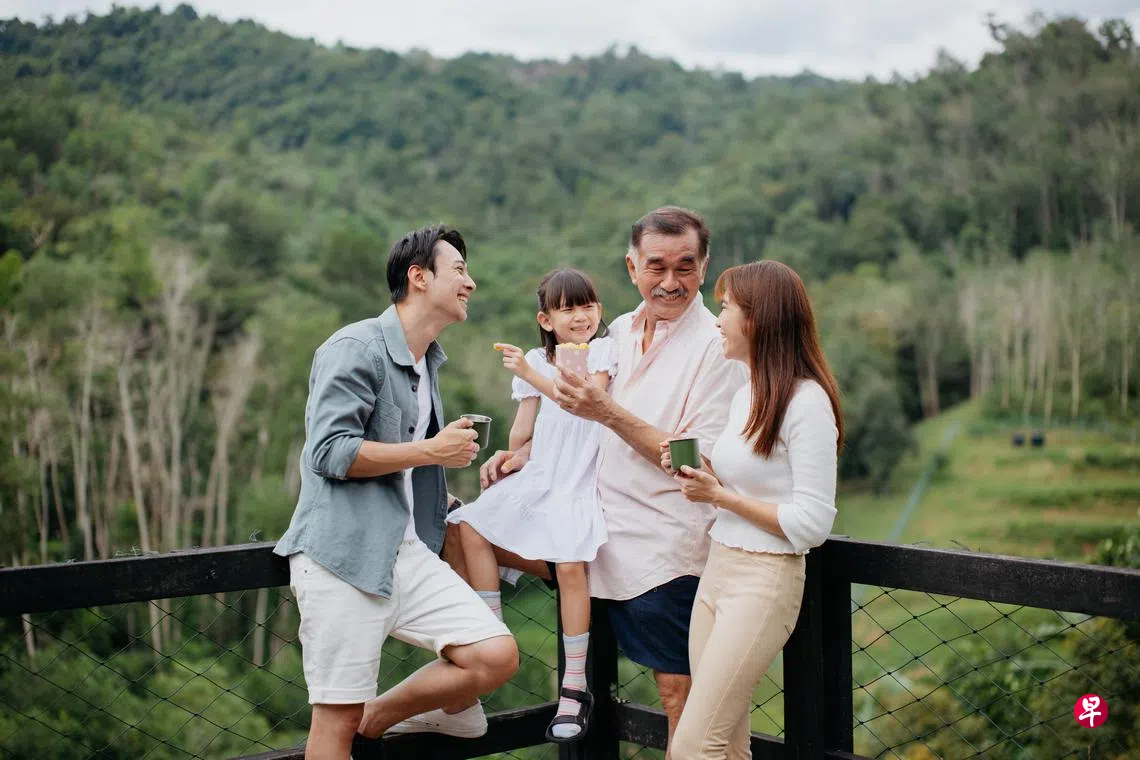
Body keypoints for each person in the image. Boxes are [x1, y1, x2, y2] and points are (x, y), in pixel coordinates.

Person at [481, 206, 747, 757]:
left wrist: (608, 413)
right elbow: (570, 419)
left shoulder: (717, 347)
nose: (670, 282)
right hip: (591, 533)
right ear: (632, 268)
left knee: (680, 699)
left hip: (664, 549)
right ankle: (473, 684)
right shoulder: (617, 332)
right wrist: (524, 453)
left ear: (705, 267)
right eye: (656, 267)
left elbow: (699, 461)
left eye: (685, 267)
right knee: (464, 529)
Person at [273, 225, 518, 760]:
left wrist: (437, 494)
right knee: (334, 724)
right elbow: (330, 453)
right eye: (459, 271)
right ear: (418, 277)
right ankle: (363, 716)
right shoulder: (354, 347)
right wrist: (432, 451)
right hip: (343, 557)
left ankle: (379, 715)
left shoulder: (427, 359)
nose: (471, 283)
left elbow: (406, 458)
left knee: (494, 654)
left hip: (408, 553)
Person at [664, 260, 842, 760]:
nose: (717, 320)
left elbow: (812, 523)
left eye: (725, 308)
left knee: (693, 747)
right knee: (726, 747)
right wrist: (703, 473)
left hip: (764, 583)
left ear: (758, 319)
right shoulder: (746, 394)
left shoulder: (806, 402)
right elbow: (747, 482)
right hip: (717, 571)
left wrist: (719, 497)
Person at [447, 268, 615, 743]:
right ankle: (492, 634)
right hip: (545, 472)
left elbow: (587, 401)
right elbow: (525, 434)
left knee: (568, 564)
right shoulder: (538, 363)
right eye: (568, 308)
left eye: (587, 305)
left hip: (580, 478)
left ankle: (575, 686)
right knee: (470, 524)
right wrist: (511, 454)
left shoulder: (602, 352)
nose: (581, 316)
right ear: (547, 318)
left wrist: (530, 374)